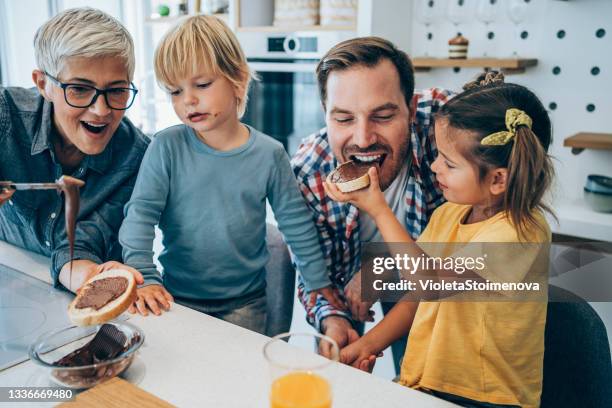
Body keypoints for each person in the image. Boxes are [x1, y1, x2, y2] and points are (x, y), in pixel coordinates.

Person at [330, 72, 554, 408]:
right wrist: (368, 344)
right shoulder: (450, 214)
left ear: (497, 179)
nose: (435, 167)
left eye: (449, 163)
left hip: (485, 399)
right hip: (426, 387)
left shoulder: (519, 235)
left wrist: (378, 210)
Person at [115, 15, 344, 334]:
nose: (188, 100)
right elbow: (139, 217)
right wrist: (145, 276)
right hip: (175, 298)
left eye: (202, 84)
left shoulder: (269, 153)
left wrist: (318, 281)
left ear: (238, 78)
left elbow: (295, 224)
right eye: (175, 91)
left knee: (237, 380)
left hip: (246, 304)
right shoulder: (166, 147)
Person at [291, 36, 451, 372]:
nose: (363, 139)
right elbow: (315, 273)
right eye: (344, 119)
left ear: (410, 105)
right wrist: (333, 322)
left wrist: (381, 266)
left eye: (382, 115)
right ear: (325, 114)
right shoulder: (308, 171)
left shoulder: (447, 131)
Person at [0, 7, 147, 291]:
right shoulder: (6, 116)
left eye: (117, 90)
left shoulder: (136, 157)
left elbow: (84, 243)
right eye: (80, 89)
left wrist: (92, 278)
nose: (101, 110)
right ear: (44, 84)